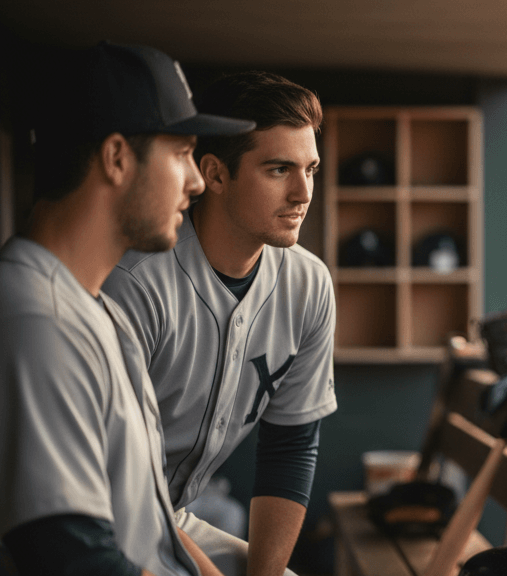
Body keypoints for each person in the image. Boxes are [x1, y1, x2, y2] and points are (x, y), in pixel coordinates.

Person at [0, 42, 254, 575]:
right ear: (117, 157)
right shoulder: (37, 319)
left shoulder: (98, 311)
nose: (198, 180)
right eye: (182, 151)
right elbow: (74, 558)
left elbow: (152, 520)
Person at [102, 71, 336, 576]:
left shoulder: (309, 284)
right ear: (215, 174)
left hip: (174, 515)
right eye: (279, 170)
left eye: (311, 169)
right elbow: (112, 474)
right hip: (96, 514)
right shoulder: (137, 283)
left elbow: (290, 444)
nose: (303, 192)